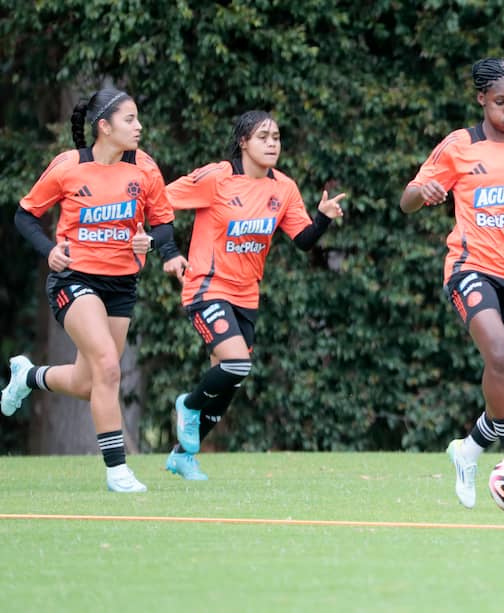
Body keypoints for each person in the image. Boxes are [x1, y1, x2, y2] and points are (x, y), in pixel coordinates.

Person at [400, 58, 504, 508]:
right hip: (470, 268)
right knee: (495, 351)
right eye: (500, 102)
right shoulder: (459, 146)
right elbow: (407, 199)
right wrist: (425, 193)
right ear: (481, 99)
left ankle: (469, 449)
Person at [1, 87, 187, 492]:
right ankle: (117, 470)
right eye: (130, 120)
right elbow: (24, 215)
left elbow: (163, 224)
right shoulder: (69, 166)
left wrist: (156, 246)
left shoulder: (145, 169)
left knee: (91, 384)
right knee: (107, 364)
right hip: (74, 279)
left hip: (121, 284)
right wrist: (50, 251)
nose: (139, 127)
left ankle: (28, 376)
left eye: (139, 119)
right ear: (104, 127)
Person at [163, 110, 345, 480]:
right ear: (243, 142)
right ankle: (189, 406)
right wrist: (165, 249)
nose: (272, 143)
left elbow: (304, 241)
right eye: (263, 137)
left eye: (276, 137)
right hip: (206, 287)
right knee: (236, 364)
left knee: (231, 377)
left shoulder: (283, 188)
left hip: (246, 295)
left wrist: (323, 217)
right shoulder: (217, 177)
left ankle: (183, 455)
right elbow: (161, 201)